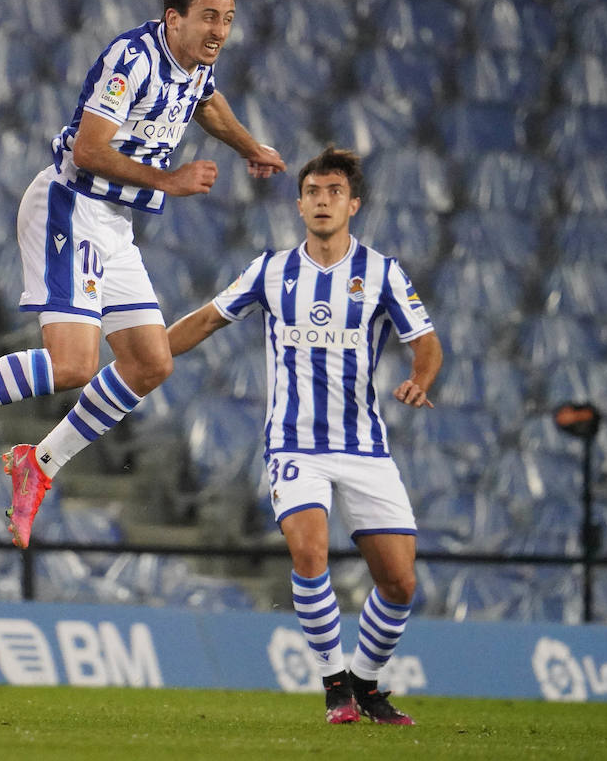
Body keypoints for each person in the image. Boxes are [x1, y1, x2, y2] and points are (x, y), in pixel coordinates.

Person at [0, 0, 286, 540]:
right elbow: (92, 150)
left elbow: (207, 102)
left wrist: (251, 146)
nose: (219, 30)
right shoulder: (134, 59)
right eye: (208, 18)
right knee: (73, 365)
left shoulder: (195, 64)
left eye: (227, 18)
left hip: (114, 223)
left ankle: (37, 464)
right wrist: (169, 180)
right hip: (70, 204)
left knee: (150, 363)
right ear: (173, 18)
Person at [166, 146, 442, 726]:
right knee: (309, 551)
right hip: (295, 444)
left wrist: (421, 378)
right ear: (299, 205)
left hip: (364, 446)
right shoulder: (270, 270)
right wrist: (144, 354)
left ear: (353, 204)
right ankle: (334, 683)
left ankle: (366, 684)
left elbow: (426, 340)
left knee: (399, 581)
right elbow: (208, 318)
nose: (322, 201)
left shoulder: (383, 272)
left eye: (334, 192)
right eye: (313, 192)